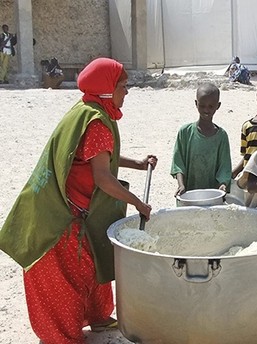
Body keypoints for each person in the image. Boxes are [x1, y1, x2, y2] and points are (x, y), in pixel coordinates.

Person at [0, 57, 157, 344]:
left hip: (81, 210)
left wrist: (136, 162)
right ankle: (64, 335)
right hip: (63, 215)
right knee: (66, 278)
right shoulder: (96, 122)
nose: (127, 91)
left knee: (91, 262)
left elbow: (96, 156)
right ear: (108, 90)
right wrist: (138, 203)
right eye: (123, 86)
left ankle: (97, 317)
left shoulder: (87, 108)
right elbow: (102, 178)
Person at [171, 83, 232, 196]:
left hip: (213, 195)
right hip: (188, 193)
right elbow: (178, 163)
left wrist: (223, 185)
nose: (206, 110)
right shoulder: (185, 132)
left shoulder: (221, 136)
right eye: (202, 105)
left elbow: (225, 167)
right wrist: (181, 185)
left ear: (218, 106)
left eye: (211, 106)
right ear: (196, 103)